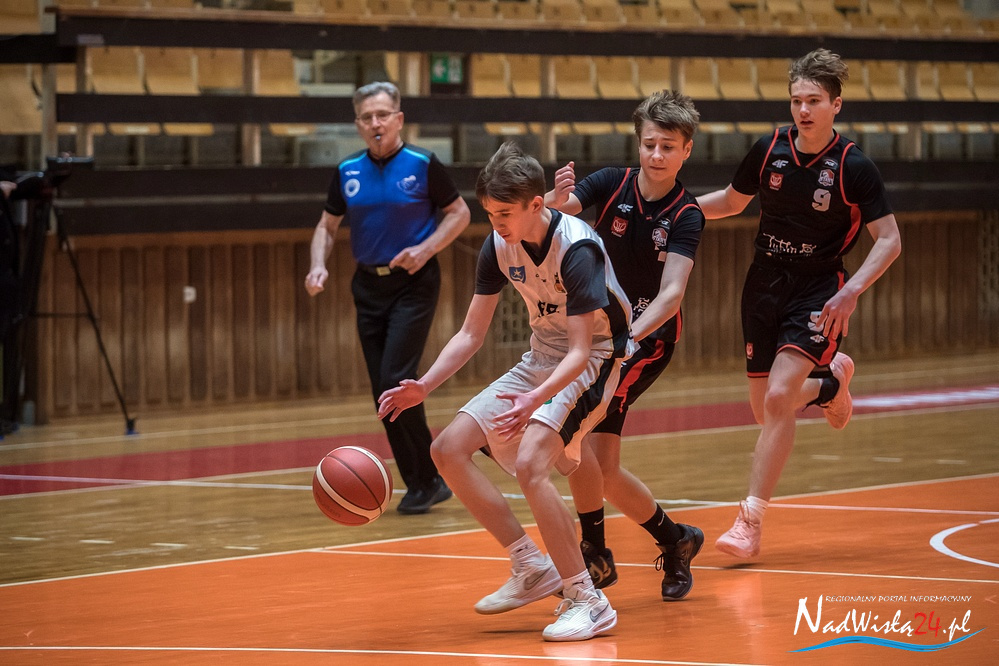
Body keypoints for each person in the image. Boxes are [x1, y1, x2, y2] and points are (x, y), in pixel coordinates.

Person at [378, 141, 636, 642]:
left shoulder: (577, 249)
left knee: (534, 463)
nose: (495, 223)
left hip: (598, 357)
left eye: (504, 213)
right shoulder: (498, 246)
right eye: (489, 213)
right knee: (447, 449)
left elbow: (581, 352)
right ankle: (530, 565)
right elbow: (471, 333)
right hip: (543, 356)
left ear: (537, 205)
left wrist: (535, 401)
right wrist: (424, 385)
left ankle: (588, 599)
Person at [696, 49, 902, 558]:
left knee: (777, 398)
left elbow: (889, 239)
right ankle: (830, 383)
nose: (803, 110)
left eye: (813, 100)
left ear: (836, 105)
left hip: (819, 288)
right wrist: (674, 212)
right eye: (796, 101)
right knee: (765, 409)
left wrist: (850, 291)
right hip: (763, 282)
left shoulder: (853, 166)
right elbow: (731, 201)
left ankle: (749, 522)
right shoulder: (769, 148)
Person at [544, 90, 706, 601]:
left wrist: (629, 336)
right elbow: (554, 213)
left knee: (575, 438)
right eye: (650, 144)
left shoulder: (687, 214)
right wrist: (554, 197)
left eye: (668, 147)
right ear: (639, 143)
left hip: (645, 344)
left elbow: (672, 294)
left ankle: (595, 555)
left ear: (686, 151)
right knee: (604, 468)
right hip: (598, 338)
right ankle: (675, 540)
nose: (657, 154)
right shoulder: (612, 182)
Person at [304, 81, 470, 514]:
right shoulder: (347, 171)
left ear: (398, 119)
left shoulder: (423, 164)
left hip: (413, 283)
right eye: (367, 117)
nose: (375, 123)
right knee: (383, 390)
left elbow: (460, 213)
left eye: (382, 115)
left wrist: (426, 249)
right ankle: (425, 481)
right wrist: (318, 264)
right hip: (367, 286)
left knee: (396, 378)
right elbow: (326, 226)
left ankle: (426, 479)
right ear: (358, 124)